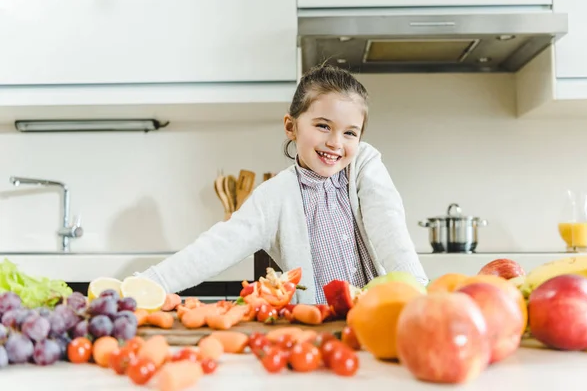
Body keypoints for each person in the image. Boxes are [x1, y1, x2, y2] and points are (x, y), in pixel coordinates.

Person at [136, 64, 429, 304]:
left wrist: (419, 295)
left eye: (350, 133)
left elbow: (389, 228)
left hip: (376, 318)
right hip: (315, 331)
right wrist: (146, 285)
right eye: (323, 126)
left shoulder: (364, 165)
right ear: (291, 126)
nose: (335, 143)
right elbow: (215, 248)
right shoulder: (274, 197)